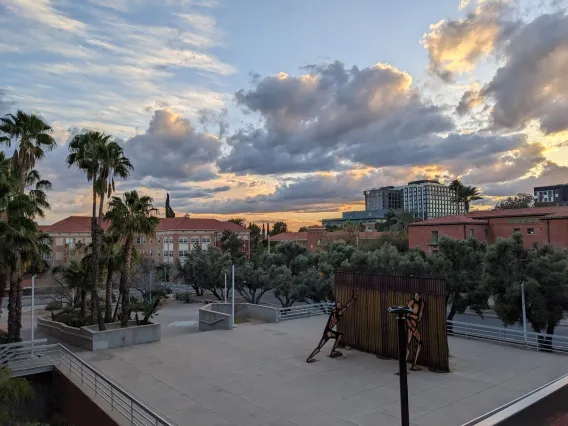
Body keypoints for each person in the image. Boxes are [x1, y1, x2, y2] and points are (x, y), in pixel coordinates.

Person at [306, 290, 357, 363]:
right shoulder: (339, 312)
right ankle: (331, 352)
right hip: (328, 331)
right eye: (338, 304)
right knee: (338, 336)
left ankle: (310, 357)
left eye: (339, 304)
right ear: (337, 307)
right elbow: (347, 305)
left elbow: (345, 305)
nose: (339, 304)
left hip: (327, 331)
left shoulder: (334, 311)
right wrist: (353, 298)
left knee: (321, 345)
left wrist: (352, 298)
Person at [406, 292, 424, 371]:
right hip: (410, 324)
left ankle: (414, 364)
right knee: (407, 344)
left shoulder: (421, 303)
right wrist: (413, 317)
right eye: (416, 295)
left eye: (418, 295)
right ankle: (405, 365)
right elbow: (407, 315)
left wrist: (414, 317)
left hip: (414, 324)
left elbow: (419, 316)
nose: (417, 297)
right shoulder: (411, 302)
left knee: (419, 343)